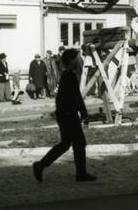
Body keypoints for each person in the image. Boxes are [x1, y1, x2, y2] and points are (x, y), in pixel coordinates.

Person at [31, 48, 95, 183]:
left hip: (64, 114)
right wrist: (84, 114)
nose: (79, 60)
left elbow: (64, 98)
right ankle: (81, 174)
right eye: (77, 58)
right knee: (78, 143)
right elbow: (76, 97)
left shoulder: (67, 74)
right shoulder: (70, 76)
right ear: (72, 61)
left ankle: (41, 165)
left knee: (66, 144)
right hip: (68, 115)